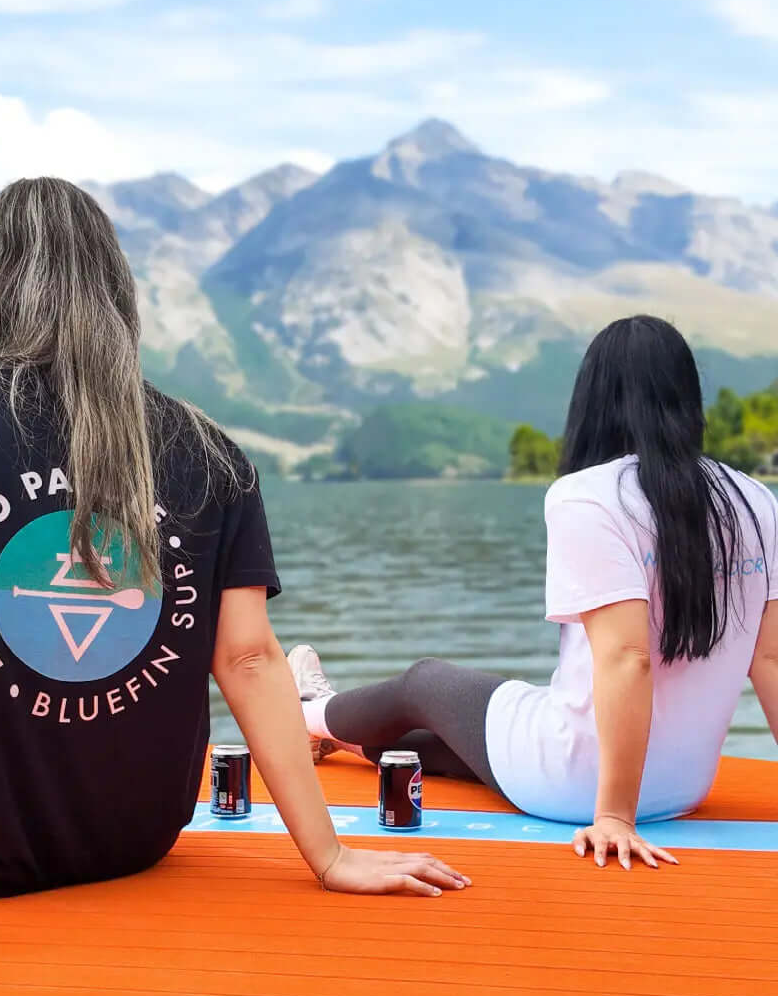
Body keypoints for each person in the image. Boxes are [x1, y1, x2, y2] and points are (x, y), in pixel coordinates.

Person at [0, 178, 467, 992]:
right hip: (136, 837)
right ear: (117, 292)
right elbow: (249, 660)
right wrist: (330, 855)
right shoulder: (210, 448)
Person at [290, 316, 778, 871]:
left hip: (579, 781)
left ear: (594, 397)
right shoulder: (755, 501)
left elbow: (627, 657)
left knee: (425, 682)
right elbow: (771, 659)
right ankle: (329, 732)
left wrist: (615, 815)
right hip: (684, 788)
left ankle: (304, 714)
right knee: (434, 748)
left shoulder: (589, 496)